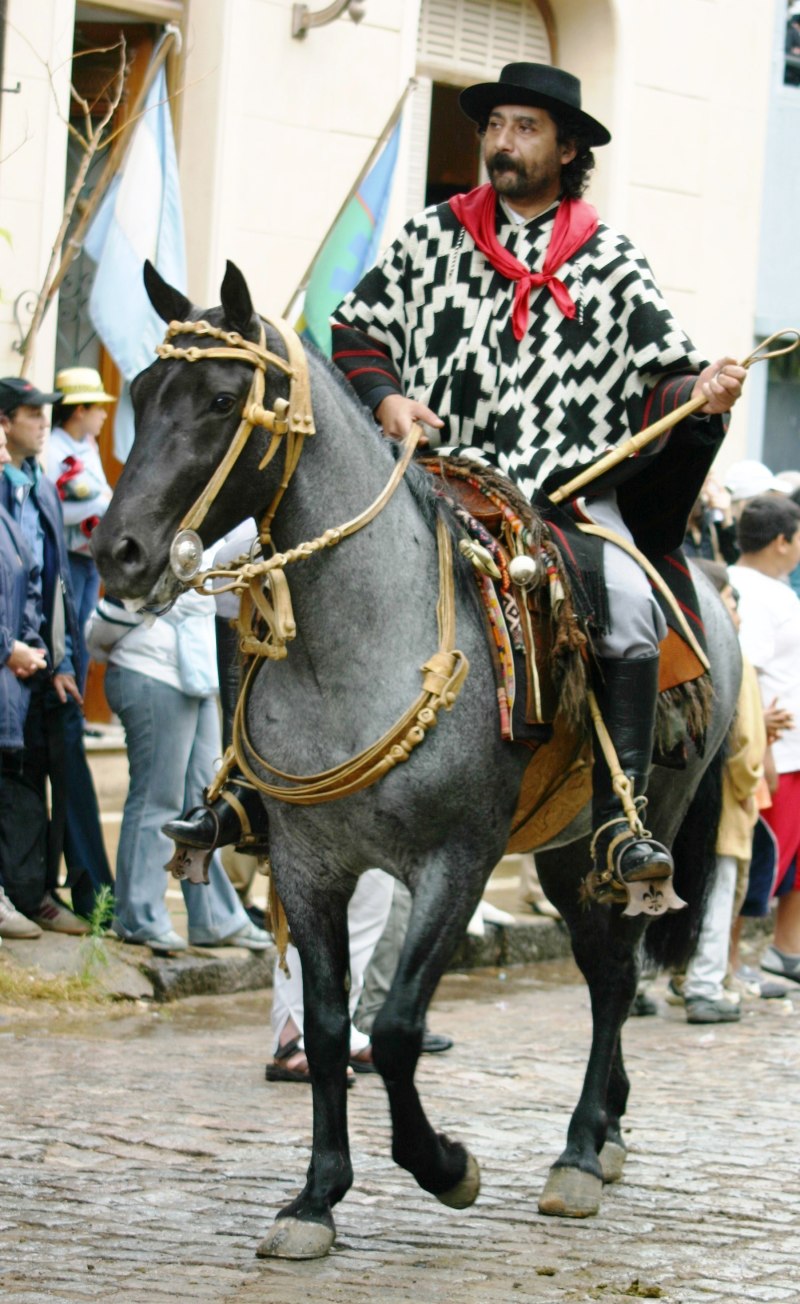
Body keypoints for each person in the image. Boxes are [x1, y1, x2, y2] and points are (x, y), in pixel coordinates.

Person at [330, 62, 745, 901]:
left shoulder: (611, 258)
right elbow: (356, 332)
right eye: (495, 126)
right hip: (440, 487)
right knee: (316, 571)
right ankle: (248, 791)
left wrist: (698, 393)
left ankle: (625, 817)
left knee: (628, 600)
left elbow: (659, 379)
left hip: (565, 499)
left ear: (566, 148)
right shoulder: (429, 237)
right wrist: (387, 397)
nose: (503, 143)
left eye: (524, 128)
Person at [86, 585, 270, 954]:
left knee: (201, 806)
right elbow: (105, 623)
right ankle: (138, 915)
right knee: (158, 798)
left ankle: (215, 917)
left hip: (195, 677)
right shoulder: (162, 532)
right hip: (151, 670)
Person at [0, 376, 94, 934]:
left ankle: (34, 892)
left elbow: (56, 584)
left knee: (35, 775)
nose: (43, 423)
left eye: (45, 414)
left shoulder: (40, 486)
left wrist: (59, 661)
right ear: (6, 421)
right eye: (32, 414)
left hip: (37, 660)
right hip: (5, 658)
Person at [730, 495, 800, 983]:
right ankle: (727, 963)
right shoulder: (754, 591)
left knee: (785, 861)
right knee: (752, 861)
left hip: (787, 750)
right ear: (781, 541)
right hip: (772, 753)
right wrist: (766, 750)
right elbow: (746, 670)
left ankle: (785, 950)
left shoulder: (772, 589)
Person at [0, 418, 49, 940]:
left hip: (9, 679)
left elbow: (30, 582)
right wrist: (8, 648)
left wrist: (28, 647)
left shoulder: (9, 518)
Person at [46, 368, 115, 687]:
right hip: (66, 557)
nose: (103, 414)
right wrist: (100, 502)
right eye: (97, 407)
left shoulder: (88, 445)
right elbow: (55, 510)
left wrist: (100, 499)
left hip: (90, 557)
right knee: (68, 633)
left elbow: (100, 494)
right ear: (79, 410)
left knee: (85, 633)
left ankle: (79, 709)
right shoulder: (53, 451)